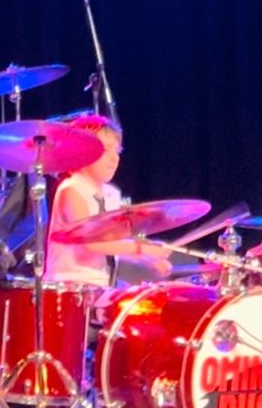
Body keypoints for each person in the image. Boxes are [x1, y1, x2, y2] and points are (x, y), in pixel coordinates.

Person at [44, 113, 172, 286]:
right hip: (69, 285)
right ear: (81, 151)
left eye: (117, 151)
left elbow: (111, 244)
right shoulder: (72, 189)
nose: (115, 158)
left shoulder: (111, 194)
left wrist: (146, 259)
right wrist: (140, 249)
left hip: (101, 284)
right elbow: (90, 244)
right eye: (106, 150)